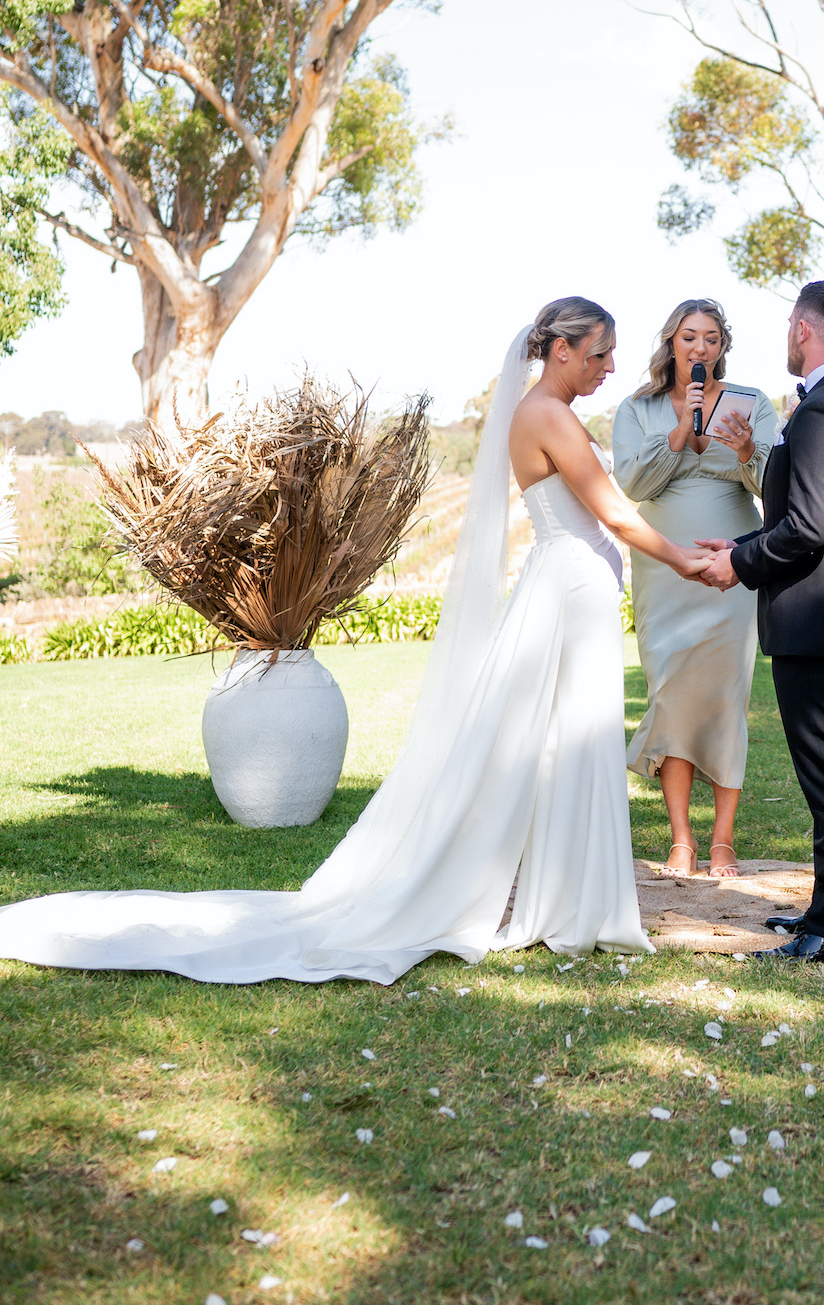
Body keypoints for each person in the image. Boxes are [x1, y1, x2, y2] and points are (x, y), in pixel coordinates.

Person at [0, 298, 710, 982]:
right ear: (561, 349)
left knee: (563, 743)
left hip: (571, 587)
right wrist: (686, 561)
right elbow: (616, 515)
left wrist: (684, 547)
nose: (610, 367)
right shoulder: (548, 414)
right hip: (569, 590)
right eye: (600, 353)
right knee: (569, 741)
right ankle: (575, 901)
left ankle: (570, 898)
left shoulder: (544, 411)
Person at [697, 279, 824, 963]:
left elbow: (809, 528)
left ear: (804, 329)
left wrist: (739, 565)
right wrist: (741, 545)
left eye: (789, 326)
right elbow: (813, 519)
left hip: (815, 616)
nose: (787, 336)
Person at [613, 298, 777, 877]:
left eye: (710, 338)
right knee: (671, 693)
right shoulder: (639, 408)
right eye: (689, 337)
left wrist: (747, 451)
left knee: (728, 694)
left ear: (722, 346)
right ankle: (681, 838)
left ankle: (723, 840)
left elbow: (777, 486)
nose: (699, 347)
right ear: (672, 343)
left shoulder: (753, 403)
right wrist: (683, 429)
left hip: (734, 567)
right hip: (664, 570)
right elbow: (633, 484)